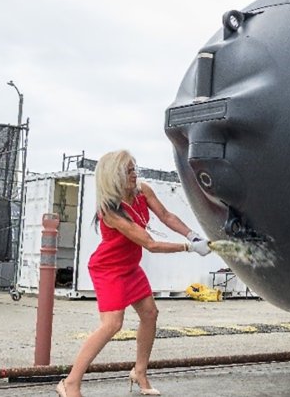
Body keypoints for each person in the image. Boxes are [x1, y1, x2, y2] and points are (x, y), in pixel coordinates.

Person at [56, 150, 211, 397]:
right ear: (114, 176)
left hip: (130, 267)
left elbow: (166, 215)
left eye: (133, 168)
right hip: (108, 269)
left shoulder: (143, 191)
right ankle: (70, 382)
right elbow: (150, 244)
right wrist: (189, 248)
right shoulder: (110, 210)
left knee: (150, 314)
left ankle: (139, 372)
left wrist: (192, 235)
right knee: (112, 325)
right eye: (128, 170)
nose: (134, 174)